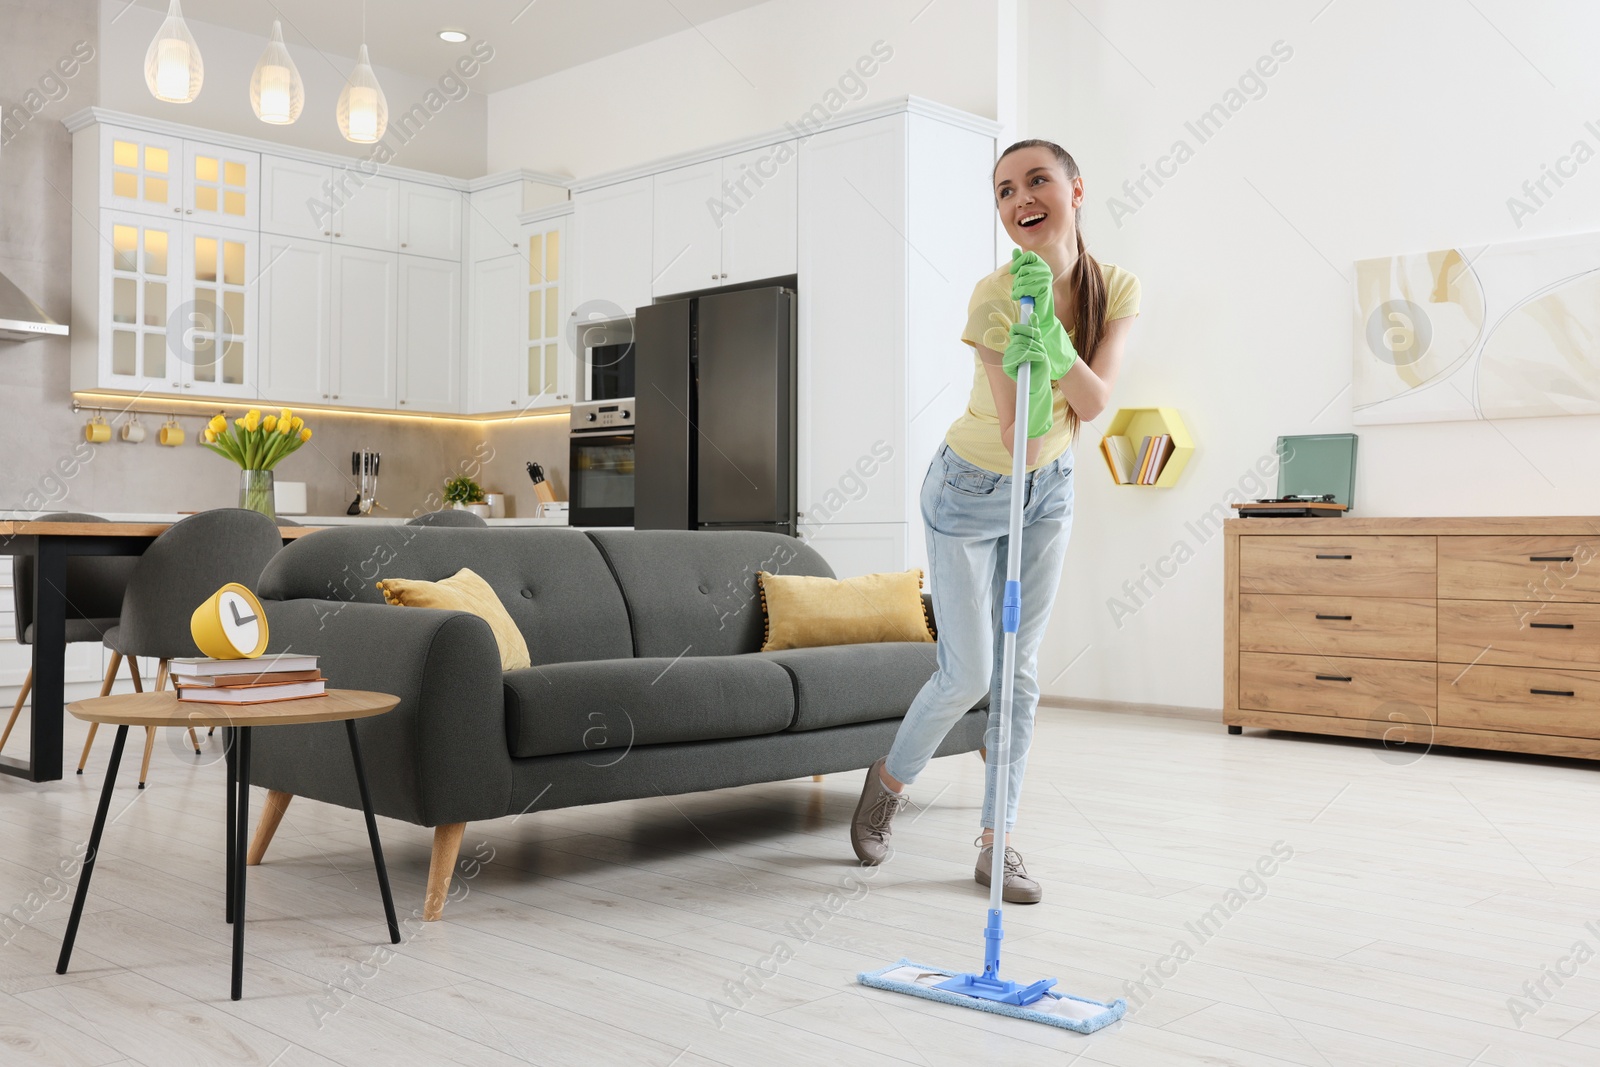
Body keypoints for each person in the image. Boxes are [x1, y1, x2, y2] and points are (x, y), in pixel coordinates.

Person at [849, 138, 1141, 903]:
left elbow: (1095, 402)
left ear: (1076, 189)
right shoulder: (993, 295)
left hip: (1050, 490)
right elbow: (1018, 434)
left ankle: (996, 842)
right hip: (970, 487)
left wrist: (1049, 335)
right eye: (1005, 190)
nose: (1020, 200)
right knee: (969, 670)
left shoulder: (1118, 288)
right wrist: (1024, 326)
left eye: (1036, 181)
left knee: (1019, 675)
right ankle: (886, 784)